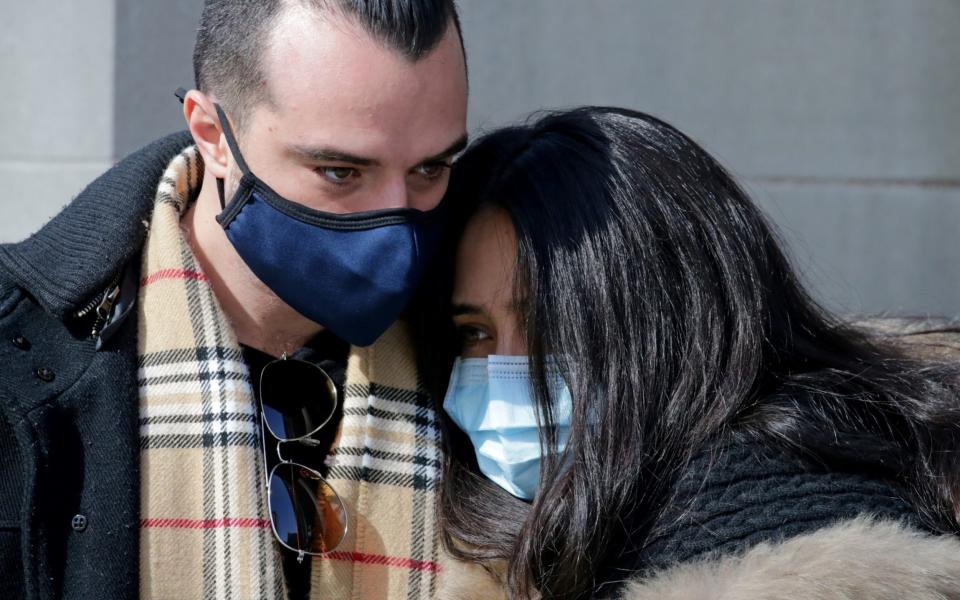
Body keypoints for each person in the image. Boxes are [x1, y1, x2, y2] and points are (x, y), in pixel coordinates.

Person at [0, 1, 470, 598]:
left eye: (431, 168)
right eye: (340, 172)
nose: (395, 222)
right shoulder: (18, 350)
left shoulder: (488, 334)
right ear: (213, 134)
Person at [422, 107, 960, 599]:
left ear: (676, 320)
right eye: (474, 332)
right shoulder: (528, 539)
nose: (507, 372)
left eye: (551, 325)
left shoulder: (798, 544)